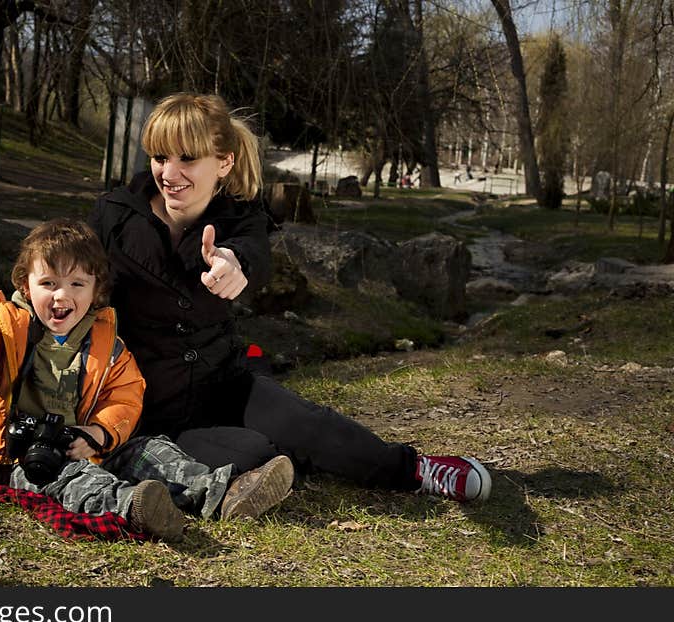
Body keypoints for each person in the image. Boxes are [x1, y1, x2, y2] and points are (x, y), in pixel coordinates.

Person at [87, 92, 491, 504]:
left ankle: (417, 470)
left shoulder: (240, 217)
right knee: (258, 454)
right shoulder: (114, 215)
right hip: (136, 401)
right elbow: (74, 279)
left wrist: (233, 263)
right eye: (159, 157)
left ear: (223, 162)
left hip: (220, 384)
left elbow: (254, 256)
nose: (169, 173)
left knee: (307, 424)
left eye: (187, 159)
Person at [0, 219, 295, 542]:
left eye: (76, 284)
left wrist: (99, 434)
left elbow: (127, 395)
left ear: (95, 289)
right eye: (48, 282)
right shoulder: (10, 330)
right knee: (74, 481)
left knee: (152, 450)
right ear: (25, 284)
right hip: (30, 459)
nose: (61, 295)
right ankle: (135, 508)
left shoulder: (106, 342)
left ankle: (221, 492)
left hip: (94, 443)